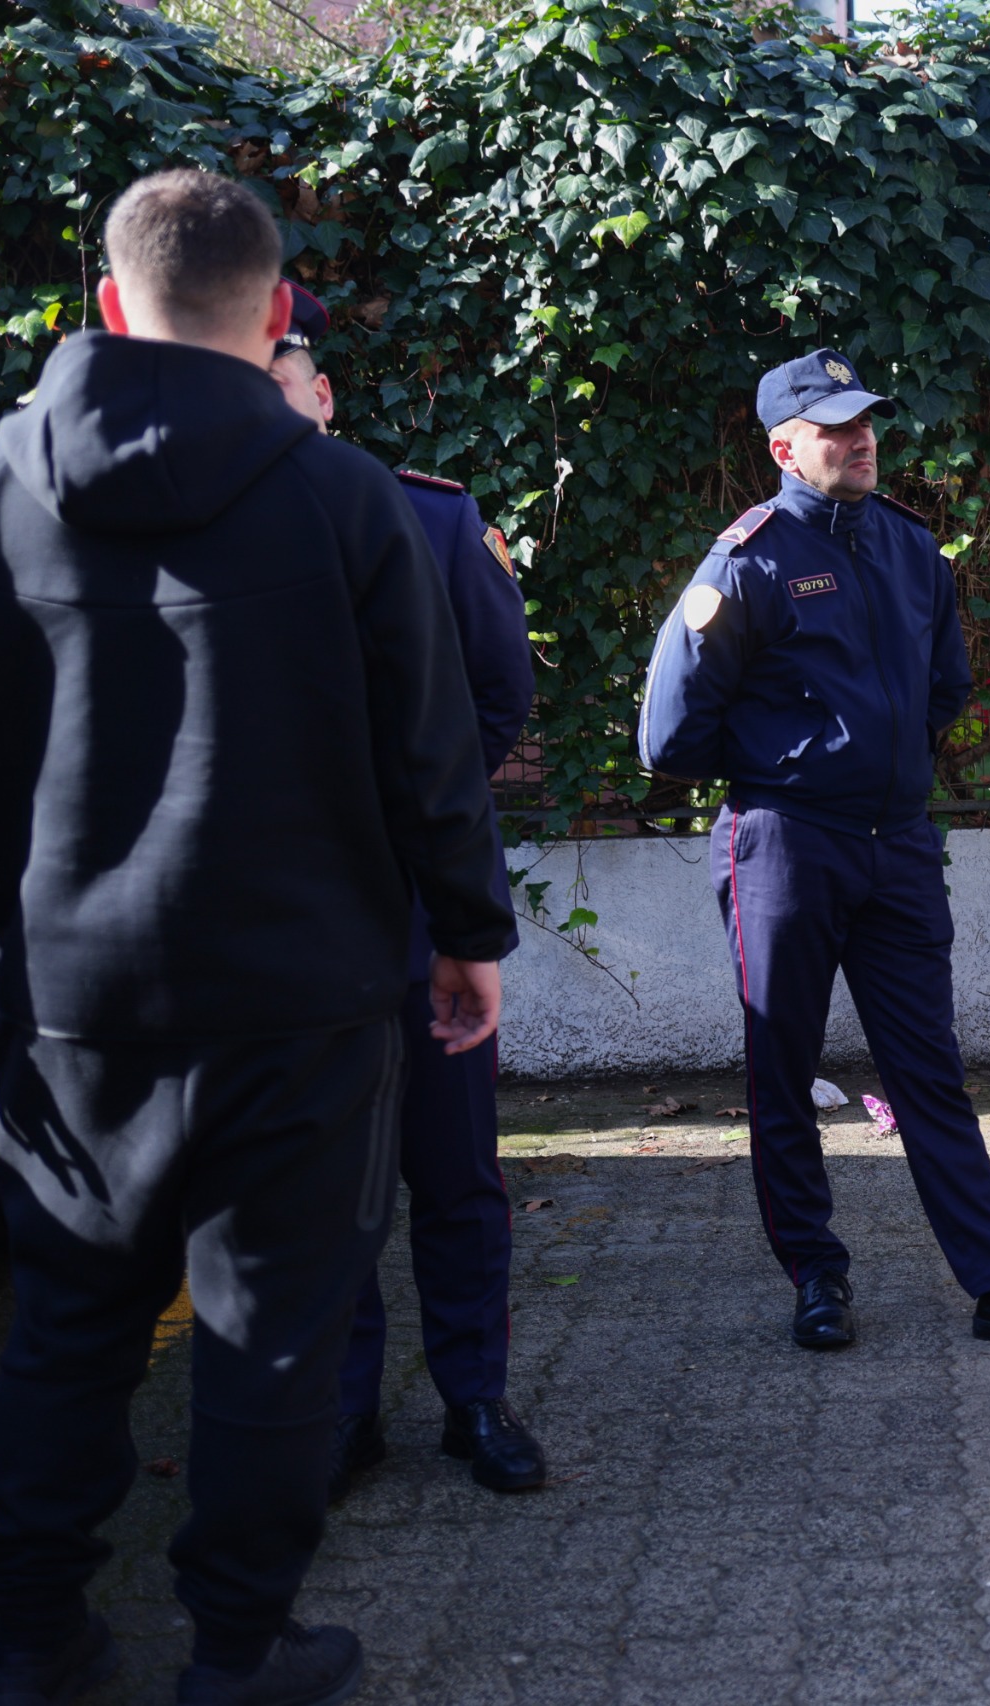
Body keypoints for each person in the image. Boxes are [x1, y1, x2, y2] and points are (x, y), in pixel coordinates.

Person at [0, 169, 514, 1705]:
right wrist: (469, 931)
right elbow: (430, 744)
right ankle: (239, 1647)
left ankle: (35, 1642)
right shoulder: (343, 495)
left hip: (70, 1008)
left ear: (110, 305)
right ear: (274, 316)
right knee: (271, 1334)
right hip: (300, 995)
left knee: (69, 1328)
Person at [637, 348, 990, 1353]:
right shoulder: (747, 559)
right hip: (786, 844)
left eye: (866, 424)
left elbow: (944, 686)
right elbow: (669, 737)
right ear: (785, 447)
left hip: (896, 845)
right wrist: (791, 763)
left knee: (930, 1070)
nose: (860, 441)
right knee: (782, 1065)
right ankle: (816, 1275)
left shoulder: (910, 546)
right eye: (835, 429)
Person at [264, 284, 547, 1499]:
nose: (258, 404)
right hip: (291, 917)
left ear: (321, 393)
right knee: (325, 1181)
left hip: (424, 902)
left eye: (277, 382)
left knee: (456, 1166)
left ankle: (473, 1397)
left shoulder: (430, 520)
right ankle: (343, 1409)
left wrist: (410, 821)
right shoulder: (202, 531)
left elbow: (498, 697)